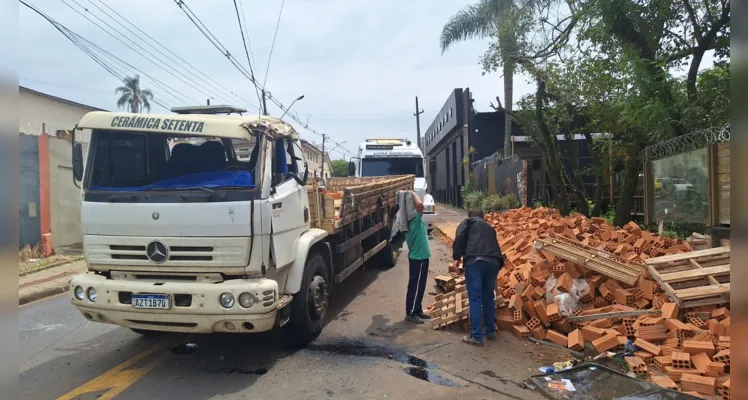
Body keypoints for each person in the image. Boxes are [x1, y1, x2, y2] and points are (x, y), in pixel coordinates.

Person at [452, 209, 504, 346]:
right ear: (483, 217)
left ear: (470, 216)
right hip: (494, 262)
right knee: (488, 297)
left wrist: (456, 257)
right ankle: (490, 331)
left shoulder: (468, 222)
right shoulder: (489, 227)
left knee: (475, 299)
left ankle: (476, 336)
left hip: (475, 261)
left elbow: (460, 237)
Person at [404, 190, 431, 324]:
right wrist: (412, 192)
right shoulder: (412, 219)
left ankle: (418, 309)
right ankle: (410, 313)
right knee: (415, 285)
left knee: (420, 285)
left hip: (422, 257)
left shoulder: (413, 218)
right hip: (418, 258)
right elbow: (420, 205)